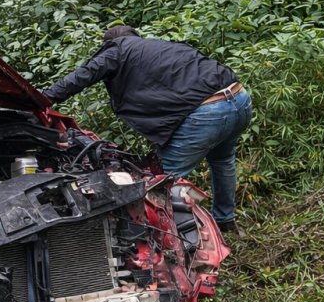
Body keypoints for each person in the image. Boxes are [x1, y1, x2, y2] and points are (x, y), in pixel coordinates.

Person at [39, 26, 253, 231]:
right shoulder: (160, 47)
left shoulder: (117, 50)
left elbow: (81, 77)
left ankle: (171, 243)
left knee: (164, 180)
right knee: (223, 161)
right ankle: (225, 220)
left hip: (208, 112)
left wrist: (42, 100)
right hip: (239, 99)